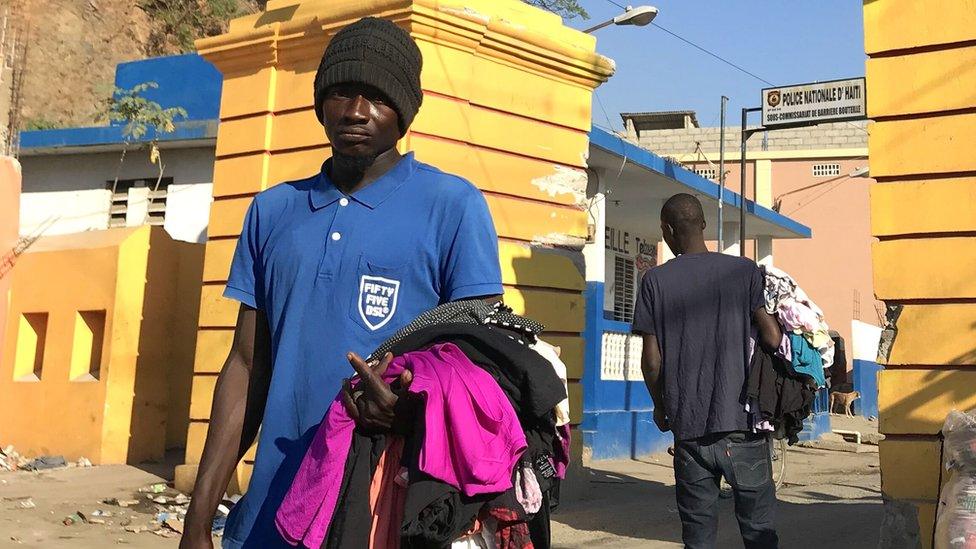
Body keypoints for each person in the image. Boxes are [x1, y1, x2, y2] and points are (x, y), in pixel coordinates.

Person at [180, 17, 503, 549]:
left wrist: (409, 411)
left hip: (384, 512)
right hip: (270, 515)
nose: (354, 111)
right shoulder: (272, 211)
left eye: (376, 96)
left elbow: (482, 372)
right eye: (339, 93)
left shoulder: (453, 207)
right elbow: (246, 366)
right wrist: (197, 521)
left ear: (405, 110)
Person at [632, 193, 783, 549]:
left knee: (697, 536)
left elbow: (651, 360)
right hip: (743, 424)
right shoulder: (744, 271)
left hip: (689, 428)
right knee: (759, 532)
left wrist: (660, 405)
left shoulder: (654, 281)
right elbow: (773, 339)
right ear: (703, 225)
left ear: (667, 231)